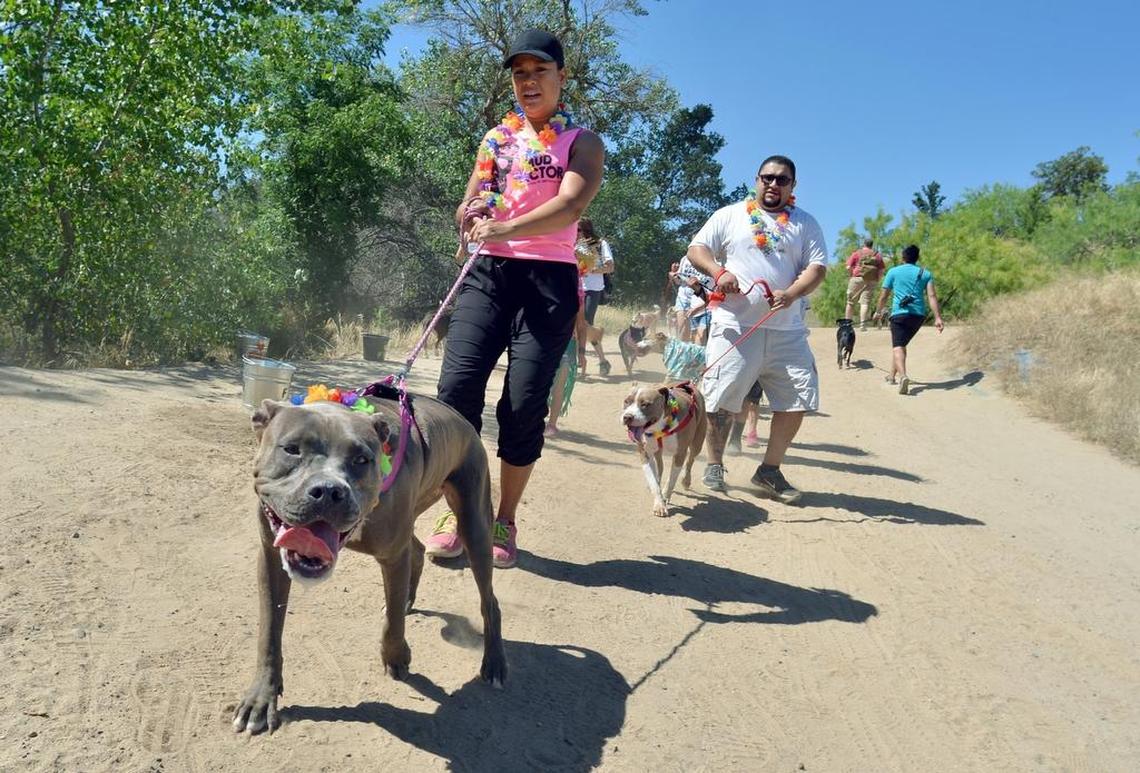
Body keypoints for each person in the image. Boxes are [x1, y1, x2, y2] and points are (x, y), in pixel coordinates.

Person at [425, 29, 604, 568]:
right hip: (489, 274)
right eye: (520, 73)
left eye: (540, 71)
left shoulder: (583, 142)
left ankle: (504, 518)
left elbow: (571, 206)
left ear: (561, 77)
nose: (528, 82)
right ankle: (459, 511)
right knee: (455, 391)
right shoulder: (495, 140)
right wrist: (468, 222)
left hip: (547, 280)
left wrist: (503, 228)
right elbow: (472, 200)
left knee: (524, 405)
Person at [686, 155, 827, 504]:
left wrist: (792, 293)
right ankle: (715, 464)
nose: (773, 184)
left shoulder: (805, 224)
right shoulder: (730, 215)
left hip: (787, 330)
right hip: (735, 325)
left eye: (782, 180)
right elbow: (696, 249)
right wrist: (720, 273)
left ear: (793, 186)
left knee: (797, 399)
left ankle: (769, 470)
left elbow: (818, 267)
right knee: (720, 398)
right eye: (767, 178)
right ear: (757, 179)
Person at [873, 244, 944, 395]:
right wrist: (937, 317)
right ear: (917, 258)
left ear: (903, 257)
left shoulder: (893, 272)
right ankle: (891, 376)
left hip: (899, 314)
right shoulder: (925, 273)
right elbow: (931, 296)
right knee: (900, 343)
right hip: (918, 316)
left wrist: (878, 312)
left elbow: (884, 295)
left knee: (898, 346)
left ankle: (903, 376)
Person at [576, 218, 614, 326]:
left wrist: (591, 269)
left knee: (586, 322)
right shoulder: (572, 245)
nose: (575, 233)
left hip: (592, 289)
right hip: (574, 288)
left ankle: (594, 341)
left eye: (578, 230)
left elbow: (610, 267)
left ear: (586, 230)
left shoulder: (599, 244)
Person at [845, 238, 885, 331]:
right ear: (872, 245)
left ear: (864, 244)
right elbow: (882, 270)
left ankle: (847, 324)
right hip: (871, 280)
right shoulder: (877, 255)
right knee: (865, 302)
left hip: (856, 278)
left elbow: (848, 267)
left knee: (850, 302)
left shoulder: (857, 253)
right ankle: (862, 325)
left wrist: (852, 275)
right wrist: (877, 279)